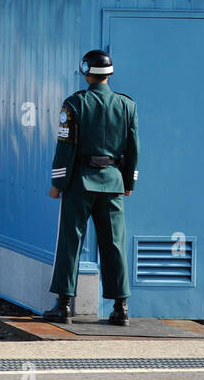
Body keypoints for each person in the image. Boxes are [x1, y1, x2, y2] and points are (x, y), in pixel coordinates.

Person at [42, 50, 139, 326]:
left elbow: (65, 147)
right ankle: (121, 307)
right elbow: (133, 148)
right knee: (114, 244)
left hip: (79, 183)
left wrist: (57, 183)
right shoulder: (126, 106)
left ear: (86, 71)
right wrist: (128, 182)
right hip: (113, 183)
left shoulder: (74, 104)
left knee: (71, 241)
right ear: (109, 74)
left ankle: (64, 305)